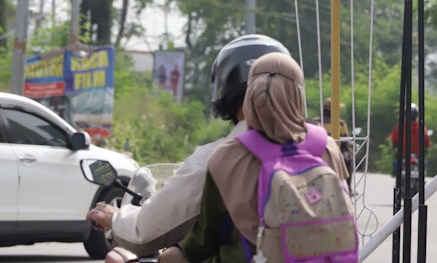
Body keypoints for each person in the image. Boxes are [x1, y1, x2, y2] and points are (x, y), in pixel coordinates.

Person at [86, 34, 290, 263]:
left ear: (226, 85)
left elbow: (145, 233)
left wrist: (115, 218)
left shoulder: (220, 157)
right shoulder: (325, 147)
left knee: (171, 257)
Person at [161, 51, 349, 263]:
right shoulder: (328, 146)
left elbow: (203, 239)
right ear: (298, 95)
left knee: (172, 257)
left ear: (250, 95)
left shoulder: (227, 156)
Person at [389, 102, 430, 175]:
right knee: (424, 165)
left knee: (396, 164)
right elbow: (427, 142)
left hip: (404, 154)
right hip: (417, 155)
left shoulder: (400, 126)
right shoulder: (421, 127)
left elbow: (394, 140)